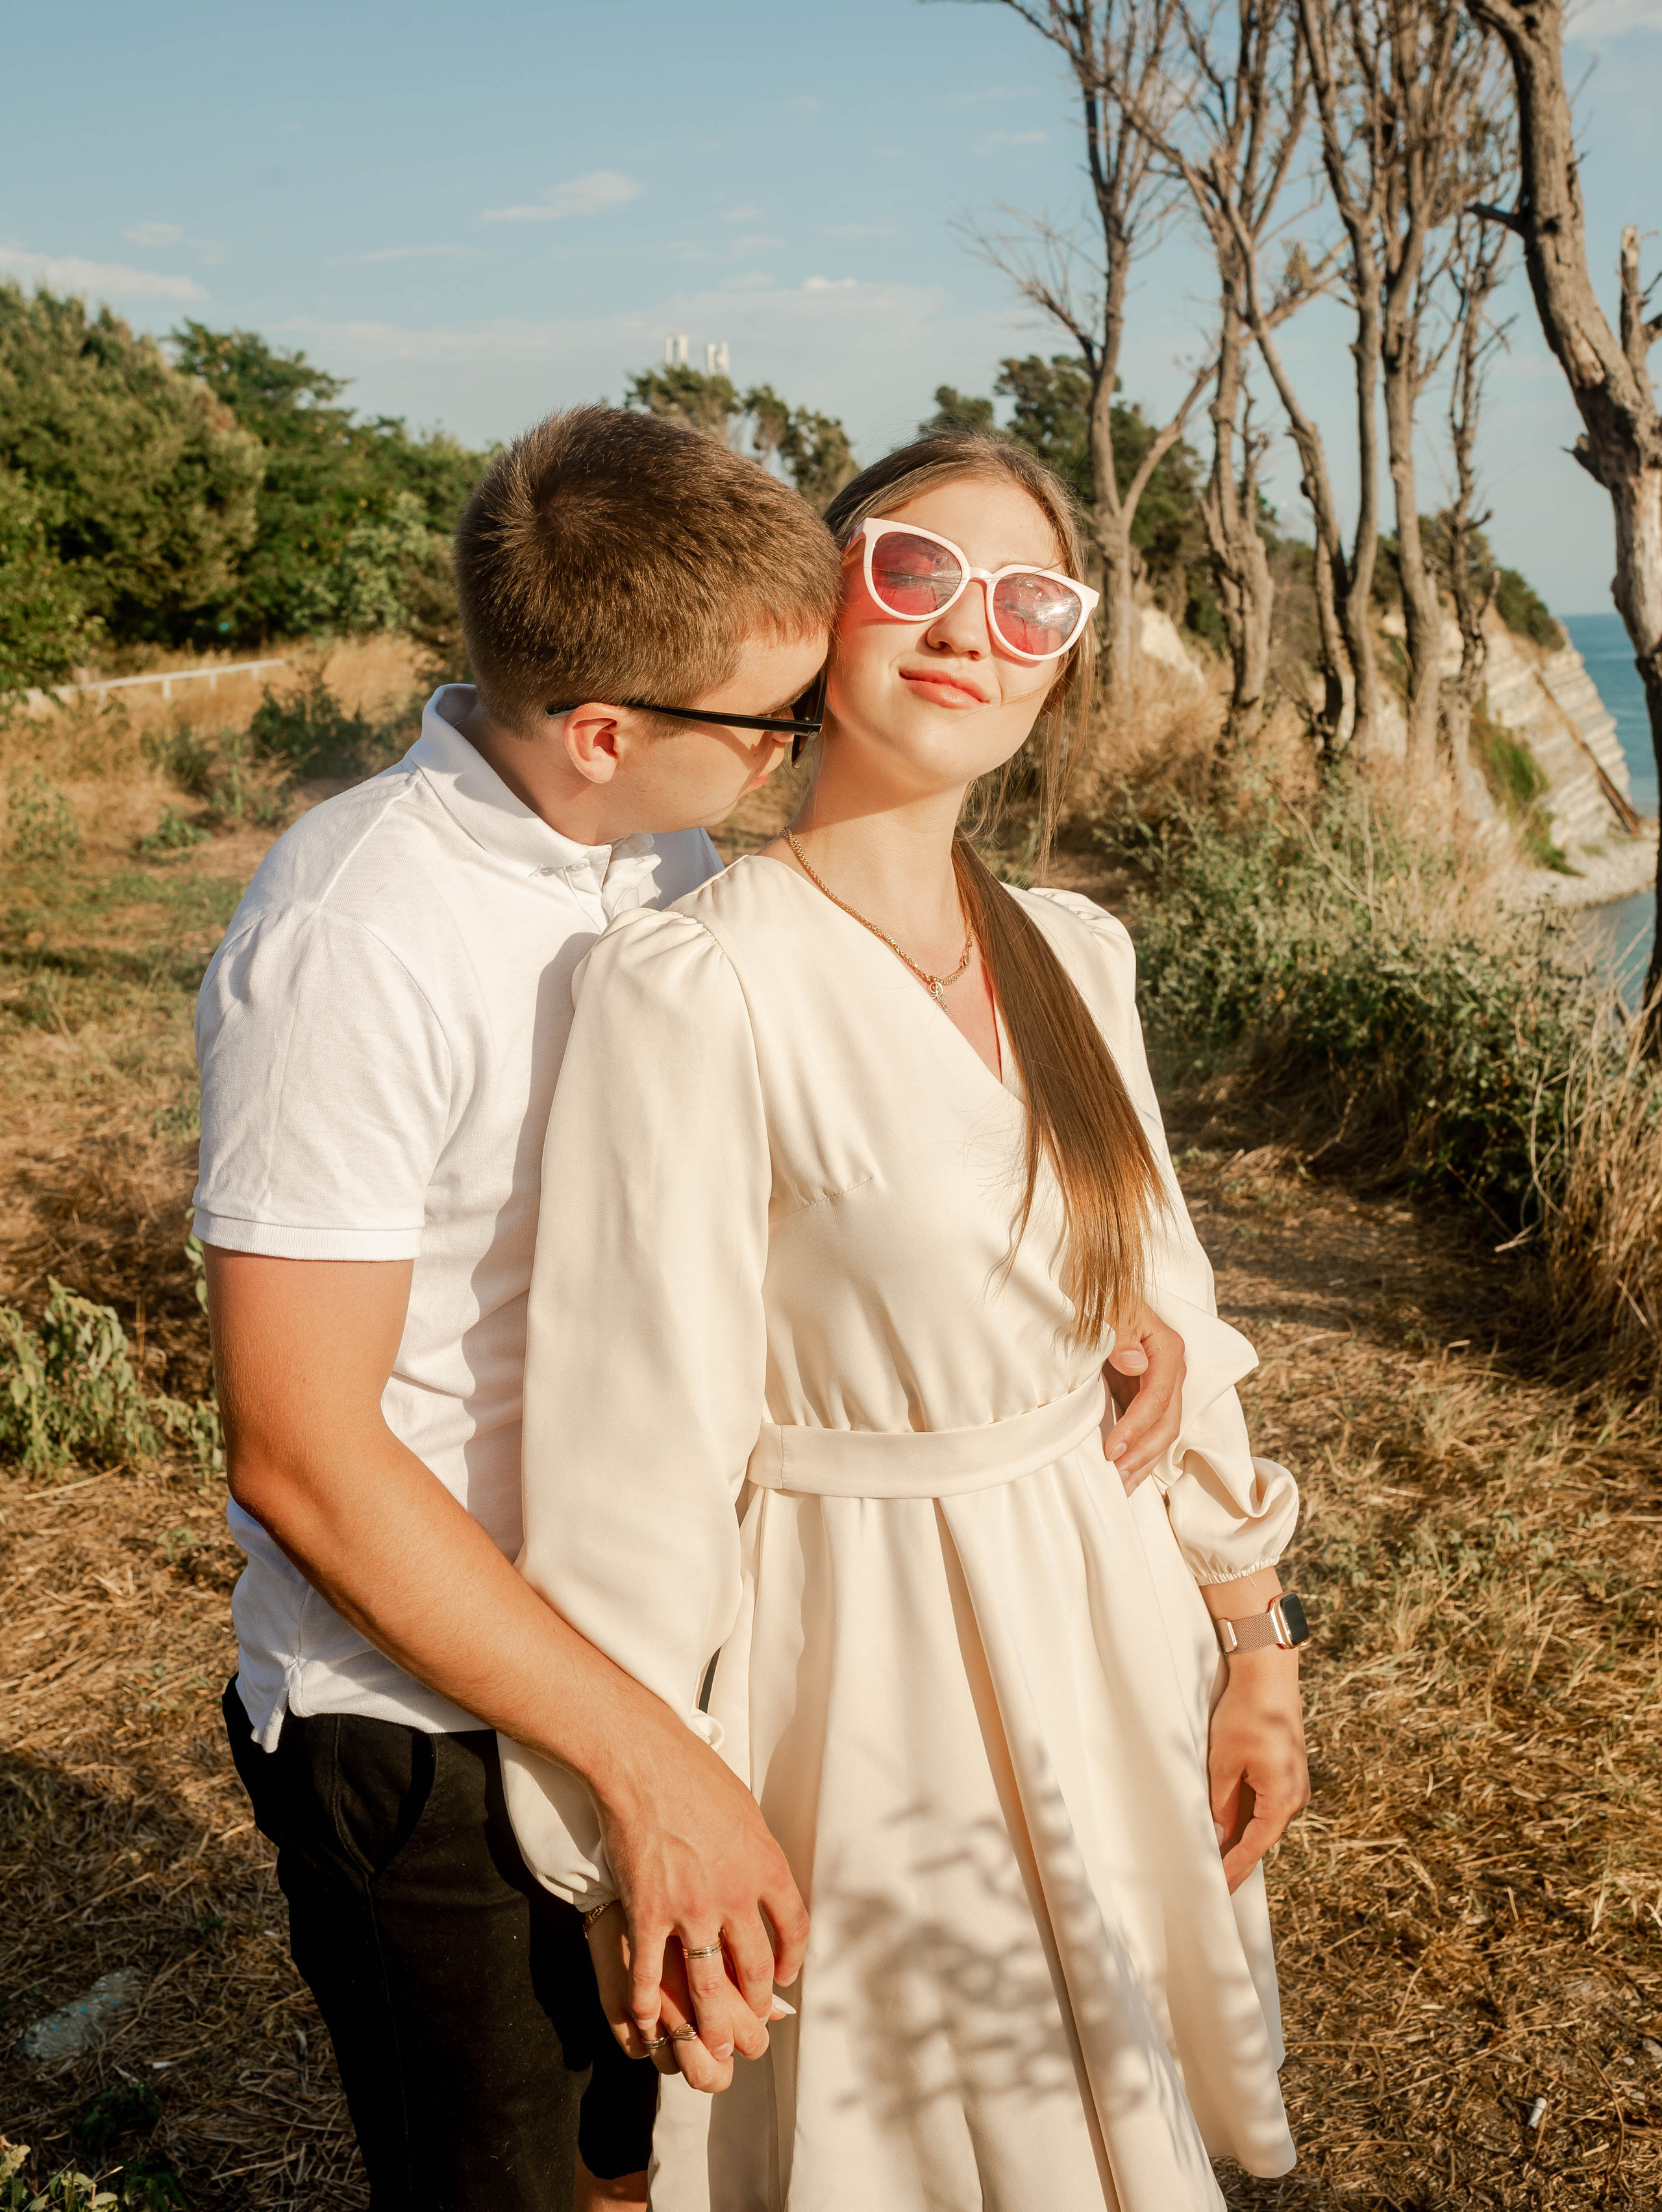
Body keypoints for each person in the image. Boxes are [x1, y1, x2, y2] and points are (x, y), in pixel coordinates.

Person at [195, 405, 1187, 2212]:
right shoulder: (357, 940)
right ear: (603, 732)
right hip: (433, 1712)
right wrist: (645, 1765)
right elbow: (303, 1455)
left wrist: (1062, 1304)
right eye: (772, 723)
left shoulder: (657, 852)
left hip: (676, 1649)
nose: (803, 740)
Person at [502, 428, 1310, 2211]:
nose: (971, 630)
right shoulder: (697, 985)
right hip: (868, 1665)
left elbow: (1166, 1305)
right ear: (822, 603)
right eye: (915, 574)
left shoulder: (1073, 953)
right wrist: (634, 1824)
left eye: (1031, 600)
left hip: (1108, 1630)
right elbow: (639, 1451)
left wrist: (1258, 1641)